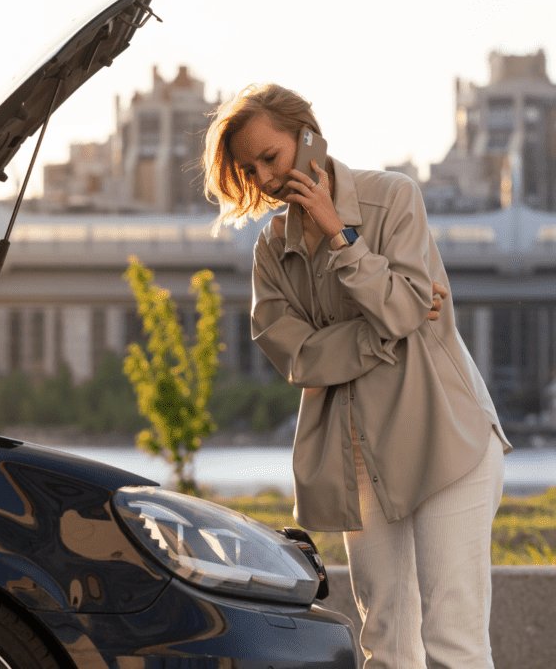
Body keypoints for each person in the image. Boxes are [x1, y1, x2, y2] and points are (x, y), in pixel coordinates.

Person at [202, 83, 512, 669]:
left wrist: (340, 235)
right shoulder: (271, 249)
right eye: (250, 168)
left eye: (271, 157)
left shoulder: (393, 198)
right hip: (359, 456)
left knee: (454, 643)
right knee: (387, 643)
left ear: (308, 136)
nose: (265, 180)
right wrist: (384, 331)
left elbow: (397, 310)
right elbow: (298, 356)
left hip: (447, 440)